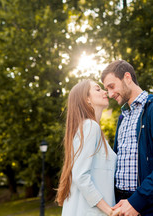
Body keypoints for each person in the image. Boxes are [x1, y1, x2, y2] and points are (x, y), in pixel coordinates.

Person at [101, 60, 153, 216]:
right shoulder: (122, 117)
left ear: (127, 77)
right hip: (120, 205)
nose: (110, 94)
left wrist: (137, 201)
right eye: (107, 89)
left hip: (145, 205)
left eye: (112, 86)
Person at [56, 80, 120, 216]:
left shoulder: (90, 128)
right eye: (98, 89)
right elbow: (80, 176)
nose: (104, 92)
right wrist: (109, 210)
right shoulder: (90, 127)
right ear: (87, 99)